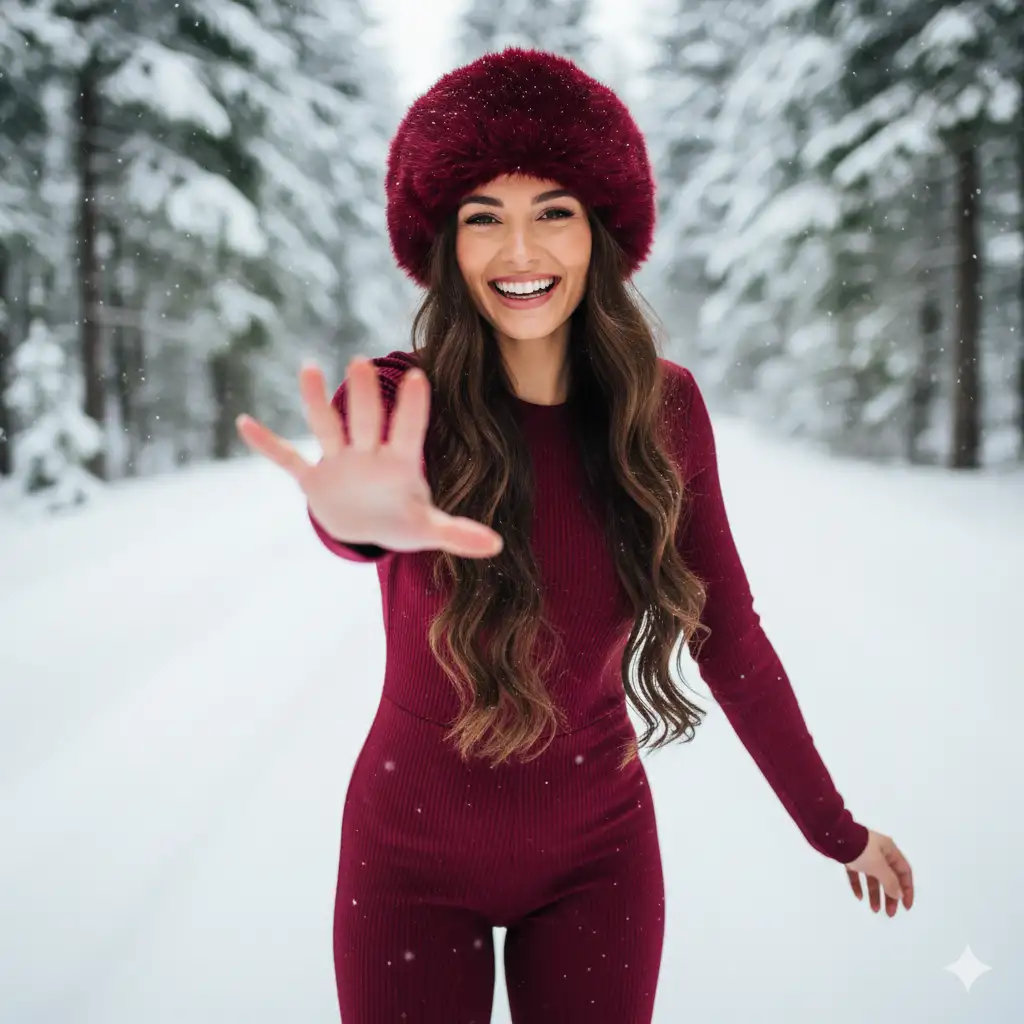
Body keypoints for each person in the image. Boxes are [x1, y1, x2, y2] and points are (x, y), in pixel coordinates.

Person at [236, 47, 914, 1024]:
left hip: (599, 857)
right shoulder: (392, 400)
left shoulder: (662, 409)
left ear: (601, 230)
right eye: (484, 217)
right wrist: (352, 523)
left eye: (551, 211)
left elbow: (729, 631)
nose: (520, 252)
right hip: (407, 858)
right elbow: (348, 516)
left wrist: (834, 829)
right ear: (444, 244)